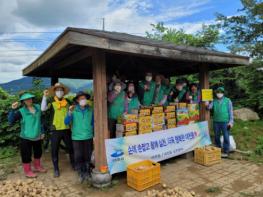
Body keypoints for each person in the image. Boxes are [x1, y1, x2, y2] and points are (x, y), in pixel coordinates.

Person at [8, 92, 47, 178]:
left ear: (32, 99)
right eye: (26, 99)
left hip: (37, 135)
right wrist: (13, 109)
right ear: (23, 101)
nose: (29, 100)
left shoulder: (37, 107)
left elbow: (41, 121)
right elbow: (10, 121)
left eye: (30, 98)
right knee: (26, 154)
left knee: (38, 152)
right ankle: (27, 171)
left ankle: (37, 166)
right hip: (26, 137)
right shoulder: (21, 111)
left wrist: (43, 132)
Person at [41, 82, 74, 177]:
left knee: (70, 148)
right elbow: (43, 109)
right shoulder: (51, 101)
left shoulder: (68, 101)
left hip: (66, 129)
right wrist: (44, 97)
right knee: (54, 150)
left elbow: (71, 112)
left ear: (64, 92)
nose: (59, 92)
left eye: (61, 90)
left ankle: (73, 164)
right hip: (55, 130)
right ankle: (56, 169)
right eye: (57, 90)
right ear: (54, 91)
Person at [65, 91, 94, 183]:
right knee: (78, 156)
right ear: (77, 100)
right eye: (81, 99)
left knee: (87, 155)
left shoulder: (90, 110)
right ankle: (81, 172)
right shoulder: (73, 110)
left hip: (88, 136)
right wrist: (69, 112)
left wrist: (93, 134)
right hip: (77, 137)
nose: (83, 100)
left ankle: (87, 171)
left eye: (84, 98)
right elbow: (66, 122)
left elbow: (93, 123)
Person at [205, 87, 234, 158]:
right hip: (216, 121)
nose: (219, 94)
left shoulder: (228, 100)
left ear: (223, 93)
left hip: (225, 122)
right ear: (216, 93)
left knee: (226, 136)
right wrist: (207, 103)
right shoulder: (214, 101)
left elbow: (231, 112)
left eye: (221, 92)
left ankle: (226, 151)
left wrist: (231, 122)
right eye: (218, 92)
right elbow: (209, 108)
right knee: (216, 136)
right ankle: (218, 150)